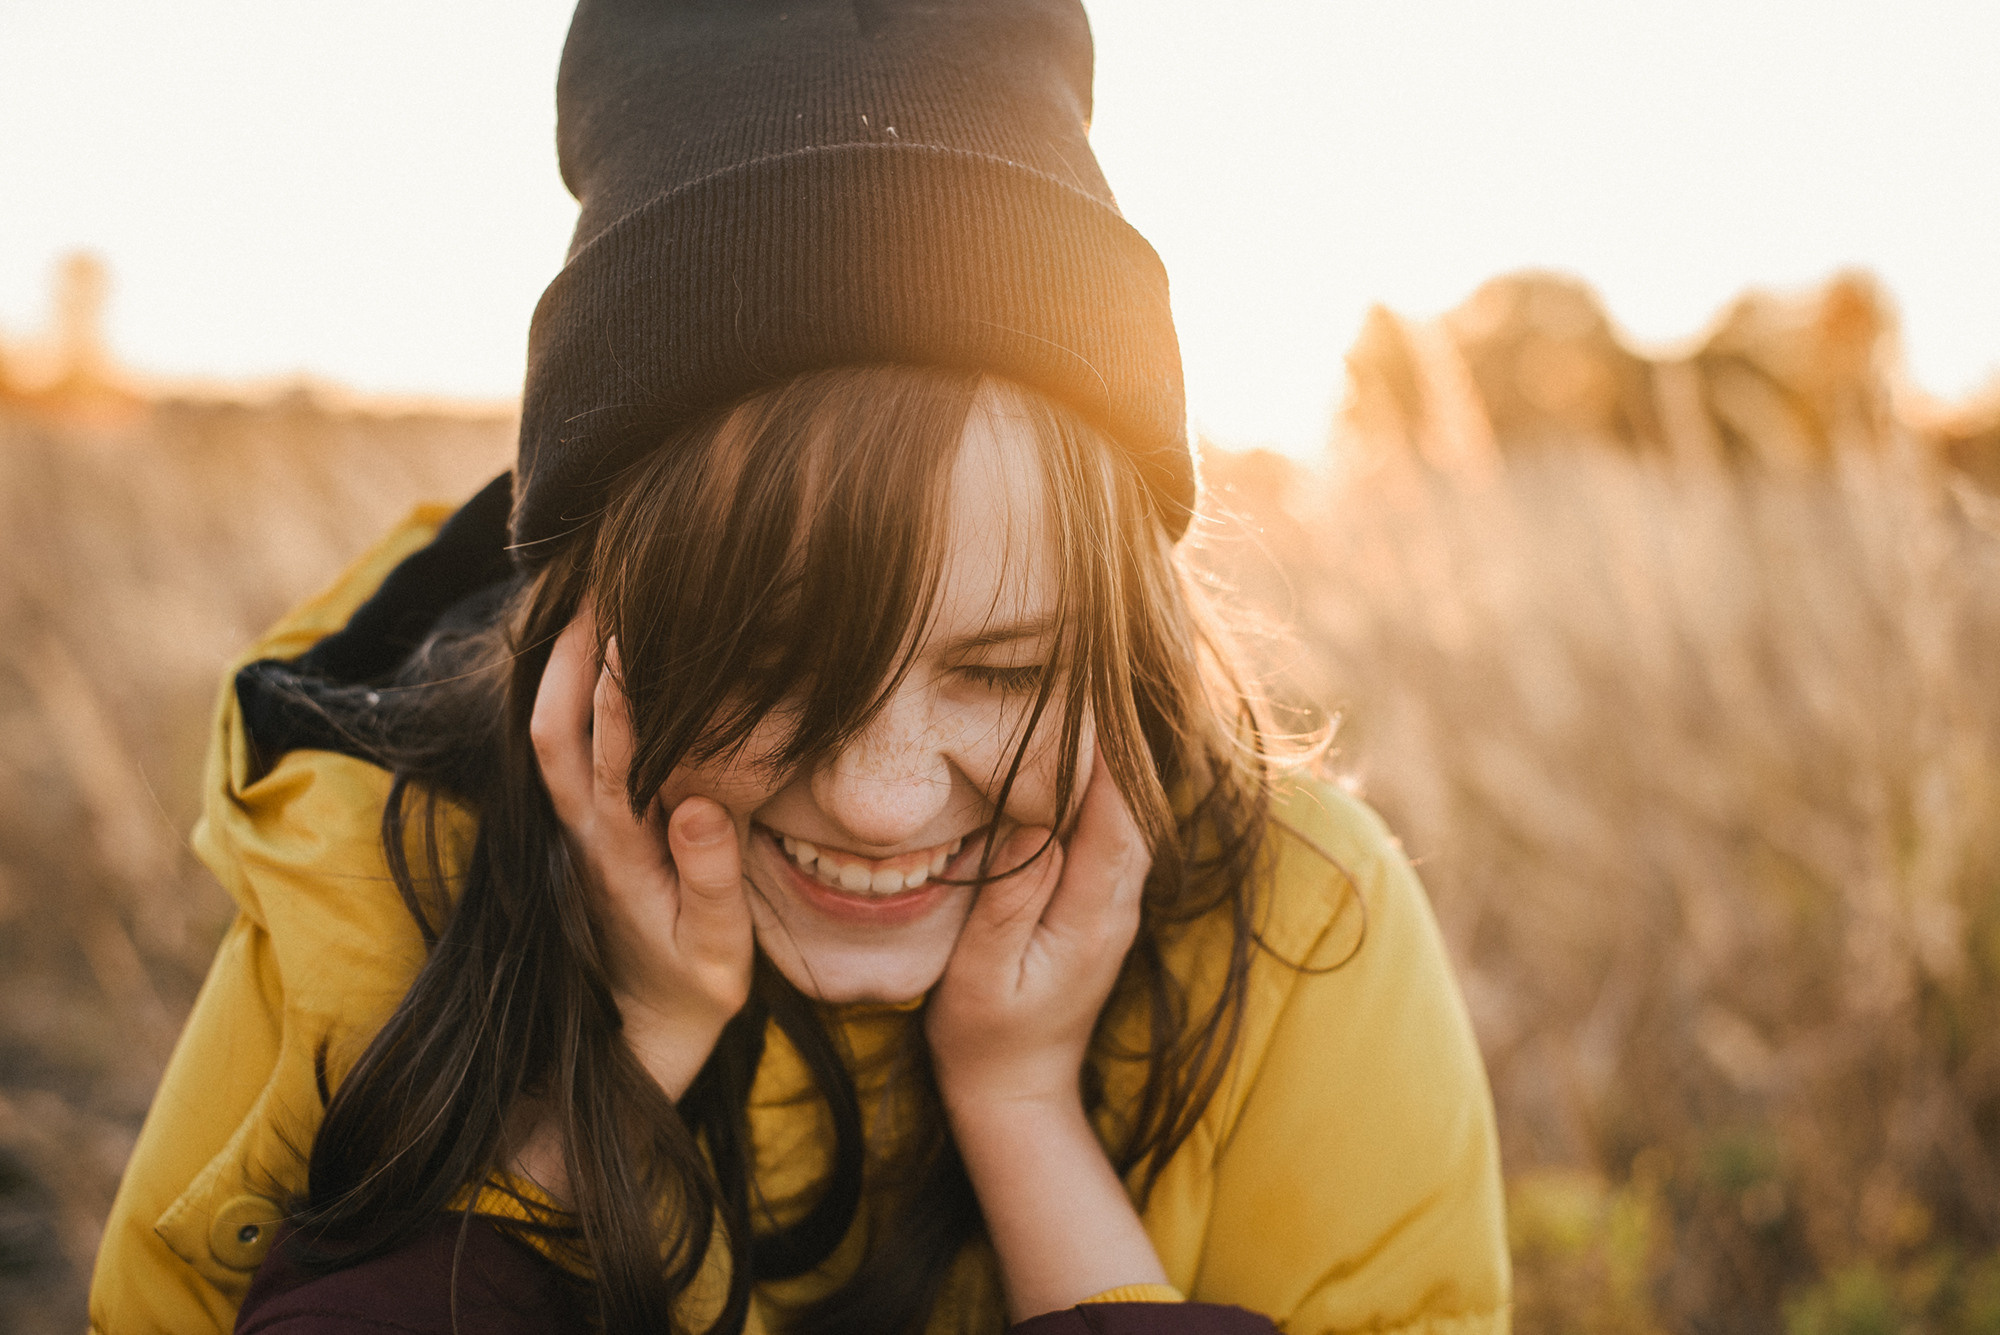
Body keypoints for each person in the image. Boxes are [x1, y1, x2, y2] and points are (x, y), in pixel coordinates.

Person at [88, 3, 1509, 1332]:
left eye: (1006, 672)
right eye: (774, 666)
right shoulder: (371, 873)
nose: (884, 803)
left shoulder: (1301, 926)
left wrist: (1022, 1112)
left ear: (1122, 632)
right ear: (593, 615)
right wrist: (613, 1065)